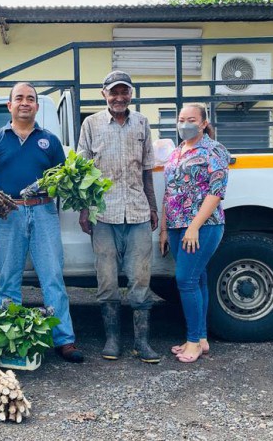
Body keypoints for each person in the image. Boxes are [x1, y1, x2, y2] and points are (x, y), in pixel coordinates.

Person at [0, 82, 84, 363]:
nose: (25, 103)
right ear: (9, 105)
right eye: (19, 98)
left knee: (52, 278)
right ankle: (9, 340)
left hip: (43, 212)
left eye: (30, 99)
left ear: (37, 106)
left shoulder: (49, 141)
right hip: (9, 214)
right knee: (9, 278)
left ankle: (65, 340)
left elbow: (61, 180)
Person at [77, 70, 161, 363]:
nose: (119, 97)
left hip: (137, 211)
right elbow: (82, 171)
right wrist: (84, 209)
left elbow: (147, 169)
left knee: (140, 277)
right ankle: (112, 340)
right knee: (107, 279)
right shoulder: (91, 124)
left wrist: (152, 206)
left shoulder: (142, 123)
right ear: (104, 94)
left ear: (131, 94)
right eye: (114, 92)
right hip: (104, 214)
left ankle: (142, 342)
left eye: (124, 92)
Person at [160, 103, 230, 363]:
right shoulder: (177, 152)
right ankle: (201, 338)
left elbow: (216, 191)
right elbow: (170, 191)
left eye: (191, 119)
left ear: (203, 123)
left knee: (185, 281)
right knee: (197, 278)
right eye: (181, 119)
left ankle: (192, 341)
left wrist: (193, 226)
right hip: (177, 226)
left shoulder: (214, 150)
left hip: (204, 226)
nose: (184, 124)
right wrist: (165, 229)